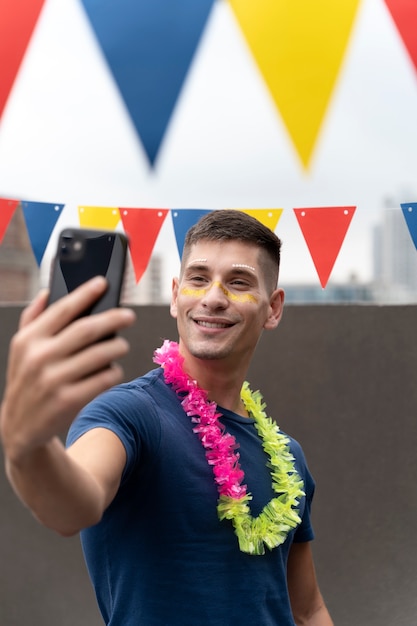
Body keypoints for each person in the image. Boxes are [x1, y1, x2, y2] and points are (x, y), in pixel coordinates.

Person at [0, 210, 333, 625]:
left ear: (274, 308)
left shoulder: (289, 456)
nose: (213, 297)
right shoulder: (129, 414)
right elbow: (71, 507)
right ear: (175, 295)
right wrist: (25, 445)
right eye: (198, 278)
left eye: (239, 282)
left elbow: (306, 609)